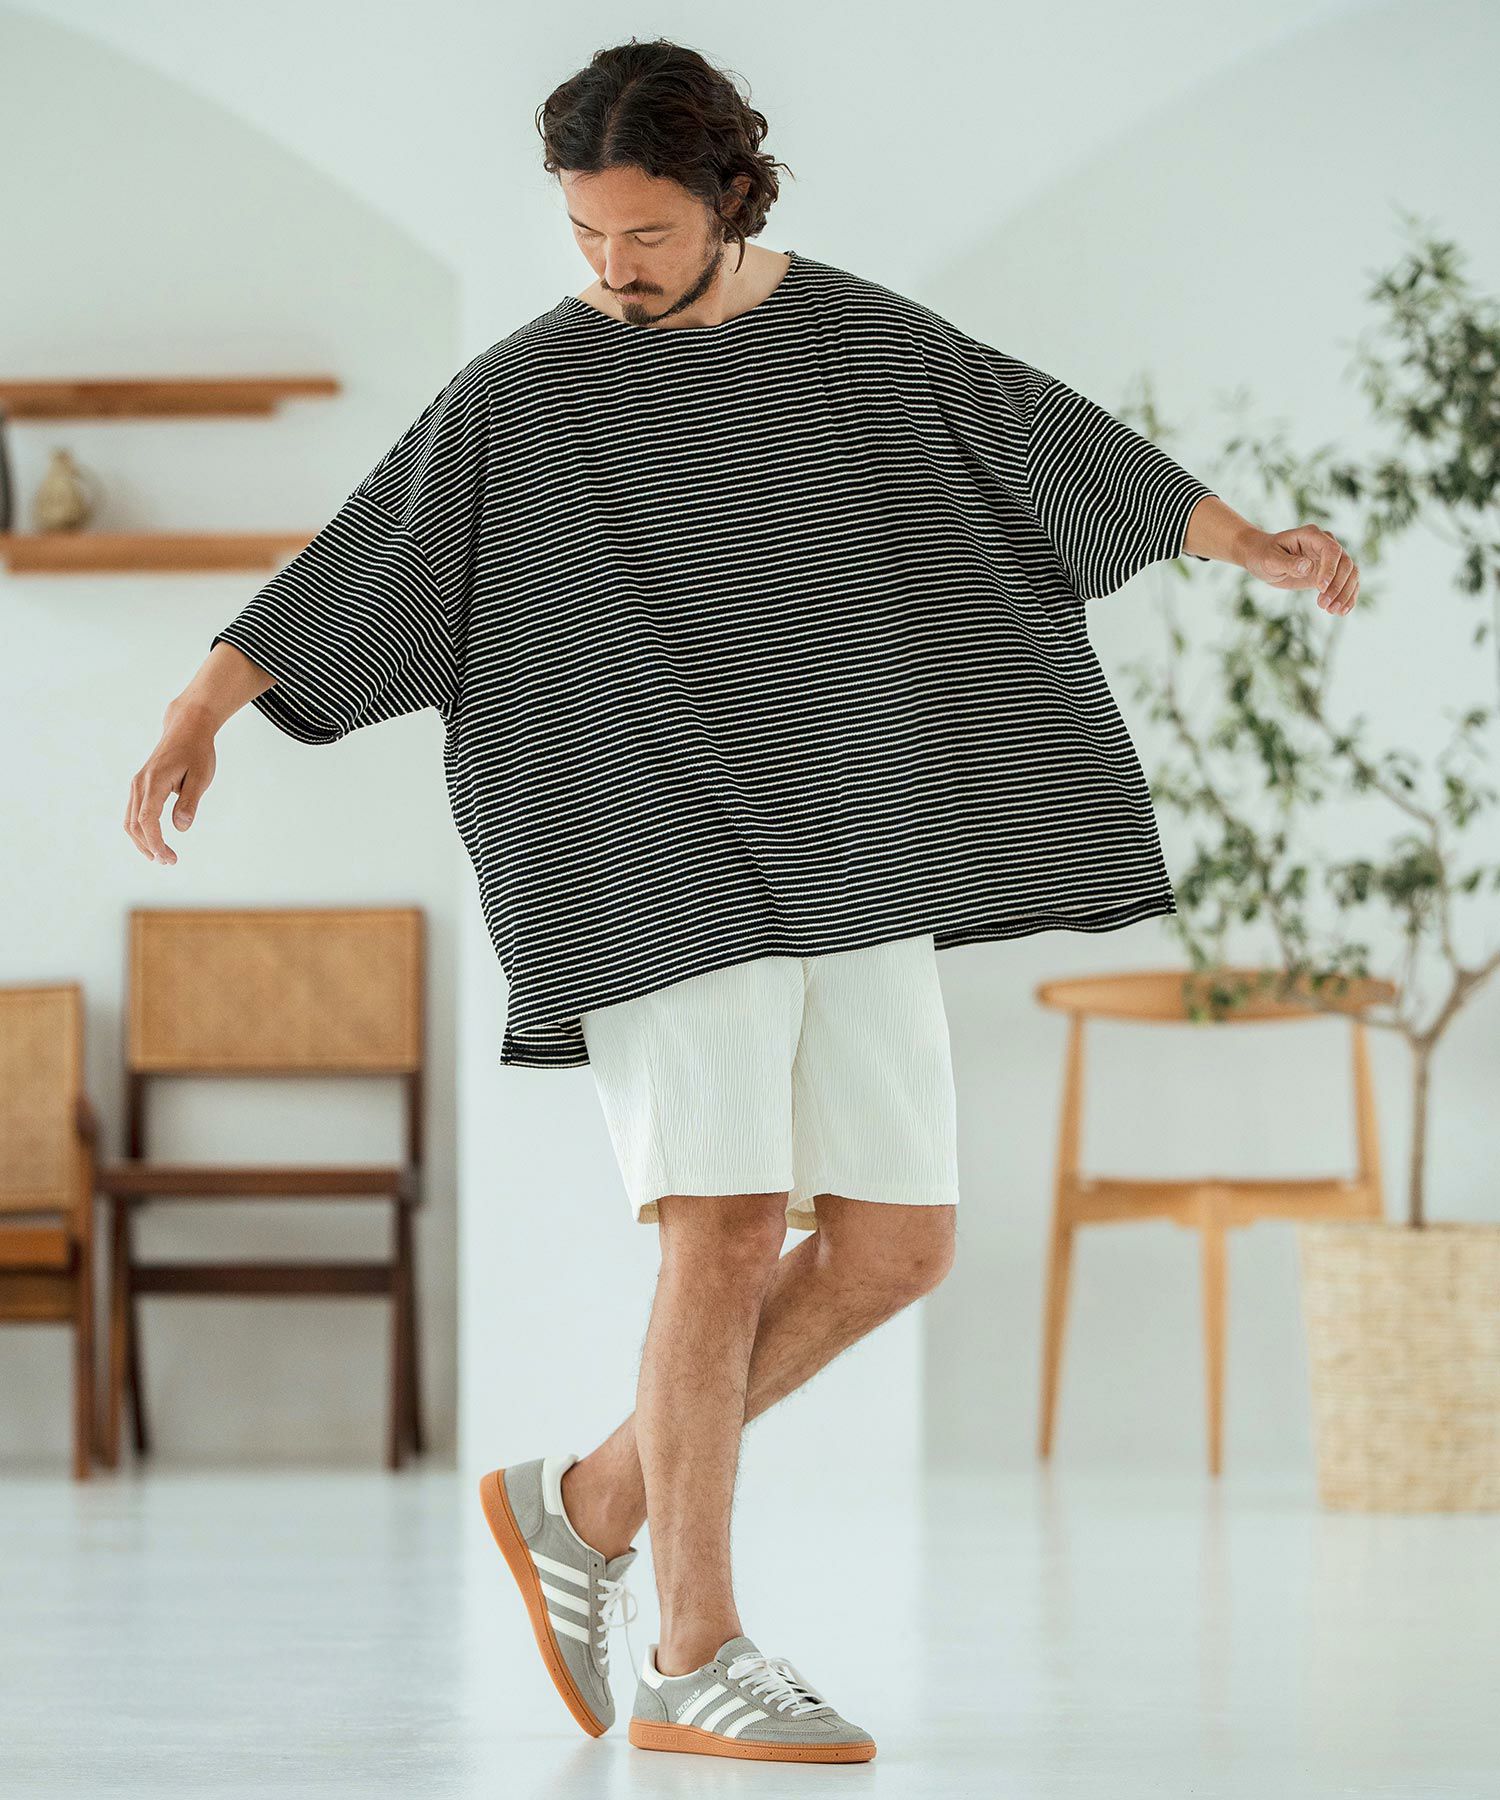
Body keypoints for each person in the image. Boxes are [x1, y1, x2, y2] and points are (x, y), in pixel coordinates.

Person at [123, 38, 1360, 1767]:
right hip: (643, 846)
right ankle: (693, 1650)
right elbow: (375, 545)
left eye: (643, 232)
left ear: (728, 197)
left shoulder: (857, 341)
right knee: (722, 1225)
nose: (611, 267)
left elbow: (1041, 437)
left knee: (899, 1243)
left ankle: (586, 1507)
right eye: (584, 233)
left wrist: (1247, 542)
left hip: (849, 842)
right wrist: (201, 705)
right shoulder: (529, 390)